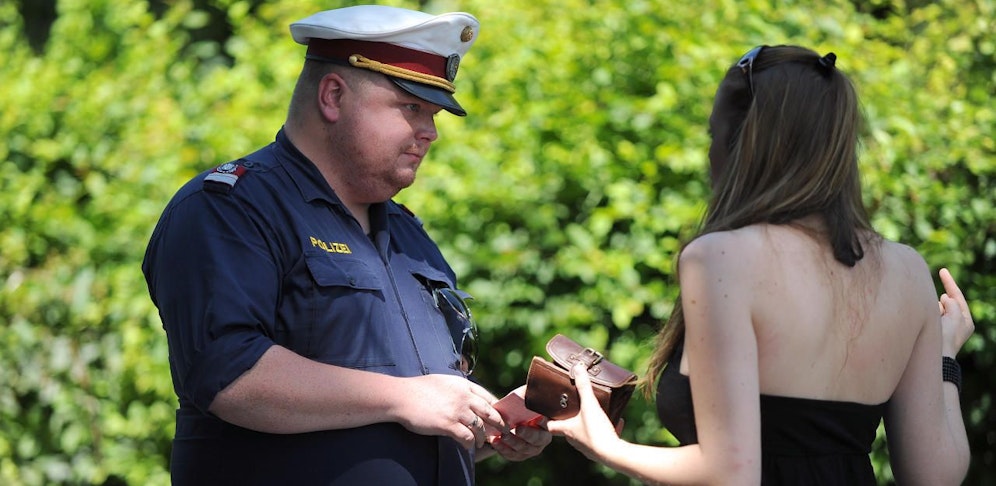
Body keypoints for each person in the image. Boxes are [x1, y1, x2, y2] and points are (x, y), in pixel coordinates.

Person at [142, 5, 550, 485]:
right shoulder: (231, 209)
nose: (431, 132)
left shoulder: (409, 235)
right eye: (411, 107)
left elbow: (400, 425)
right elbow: (228, 374)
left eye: (435, 114)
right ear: (333, 96)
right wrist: (407, 397)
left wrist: (488, 425)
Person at [546, 45, 973, 485]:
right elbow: (934, 475)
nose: (710, 158)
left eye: (716, 136)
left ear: (746, 144)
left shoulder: (722, 259)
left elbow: (731, 472)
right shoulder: (905, 270)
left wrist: (608, 447)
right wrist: (943, 356)